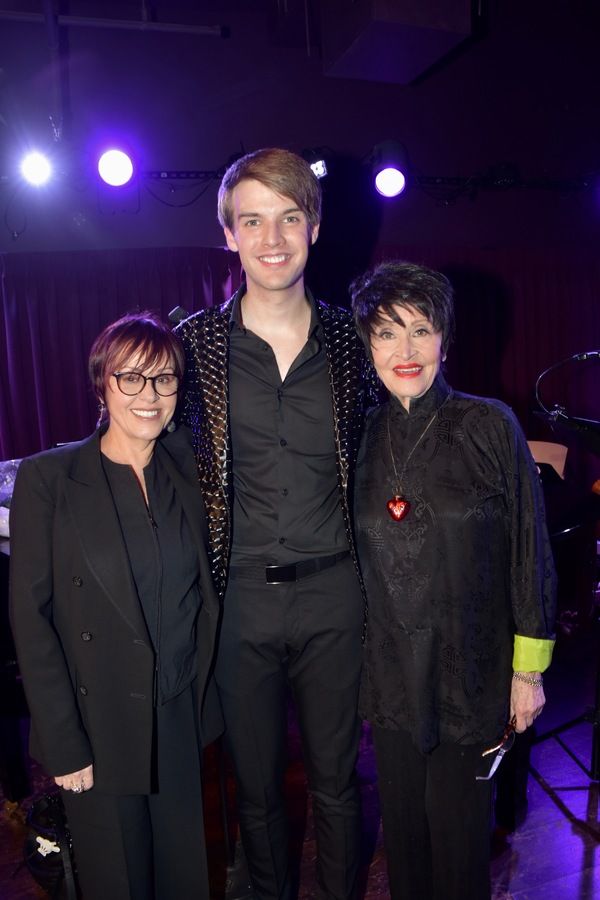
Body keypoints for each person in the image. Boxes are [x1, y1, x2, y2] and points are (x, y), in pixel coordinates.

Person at [176, 147, 375, 899]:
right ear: (227, 234)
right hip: (238, 604)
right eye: (252, 220)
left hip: (335, 596)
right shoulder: (194, 346)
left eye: (289, 217)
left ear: (314, 227)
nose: (272, 237)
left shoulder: (357, 342)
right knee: (255, 793)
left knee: (337, 785)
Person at [350, 261, 556, 900]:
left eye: (420, 329)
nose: (405, 350)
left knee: (462, 847)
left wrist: (528, 673)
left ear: (446, 338)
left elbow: (530, 547)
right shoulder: (358, 433)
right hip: (389, 680)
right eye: (387, 332)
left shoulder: (489, 424)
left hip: (471, 676)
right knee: (404, 845)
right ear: (368, 345)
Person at [9, 313, 222, 900]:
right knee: (117, 885)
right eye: (131, 378)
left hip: (178, 712)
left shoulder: (186, 468)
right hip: (98, 727)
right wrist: (61, 739)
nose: (149, 395)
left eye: (164, 379)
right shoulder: (50, 478)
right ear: (102, 383)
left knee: (185, 877)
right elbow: (31, 618)